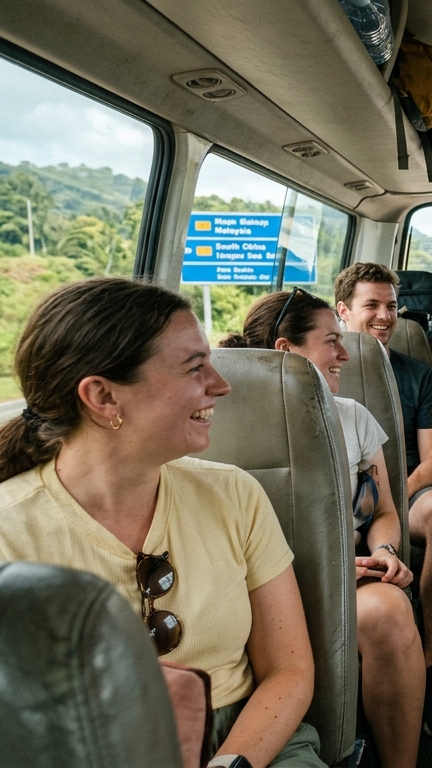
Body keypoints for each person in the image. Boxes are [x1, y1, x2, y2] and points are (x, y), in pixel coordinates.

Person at [0, 278, 323, 768]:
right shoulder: (8, 529)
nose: (221, 385)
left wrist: (229, 764)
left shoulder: (234, 495)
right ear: (103, 397)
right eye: (195, 367)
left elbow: (289, 670)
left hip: (249, 741)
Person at [222, 289, 424, 768]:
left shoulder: (354, 417)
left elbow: (383, 511)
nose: (343, 354)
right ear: (286, 352)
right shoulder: (217, 423)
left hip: (353, 570)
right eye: (331, 341)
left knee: (387, 612)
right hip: (252, 582)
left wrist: (387, 551)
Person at [334, 263, 432, 741]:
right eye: (371, 305)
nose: (384, 316)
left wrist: (388, 501)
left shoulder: (417, 375)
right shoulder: (319, 379)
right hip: (343, 505)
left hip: (406, 491)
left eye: (391, 306)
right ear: (343, 310)